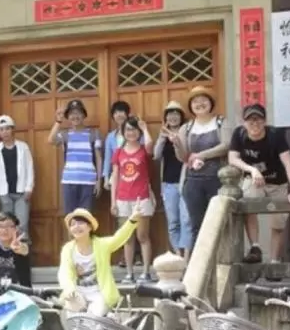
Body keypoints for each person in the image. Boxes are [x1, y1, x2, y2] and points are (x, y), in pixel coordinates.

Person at [227, 103, 290, 264]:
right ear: (244, 122)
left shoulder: (275, 134)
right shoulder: (239, 134)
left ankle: (275, 261)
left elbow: (288, 164)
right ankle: (255, 247)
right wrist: (252, 170)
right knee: (248, 201)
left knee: (278, 222)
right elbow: (232, 158)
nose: (255, 124)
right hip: (254, 180)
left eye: (258, 120)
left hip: (278, 182)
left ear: (265, 121)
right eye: (250, 121)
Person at [168, 86, 231, 253]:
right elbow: (183, 157)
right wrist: (177, 144)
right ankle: (199, 269)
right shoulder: (186, 128)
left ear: (211, 103)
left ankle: (222, 263)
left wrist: (201, 155)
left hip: (218, 180)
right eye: (195, 101)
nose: (200, 103)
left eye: (203, 100)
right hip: (193, 182)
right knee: (196, 225)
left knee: (219, 223)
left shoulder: (221, 122)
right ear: (190, 106)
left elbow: (226, 145)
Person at [58, 199, 148, 317]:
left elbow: (119, 238)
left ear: (90, 227)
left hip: (99, 294)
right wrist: (69, 289)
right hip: (77, 294)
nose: (76, 227)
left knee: (92, 318)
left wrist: (132, 220)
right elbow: (64, 272)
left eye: (80, 223)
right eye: (73, 224)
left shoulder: (102, 245)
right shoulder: (68, 249)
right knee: (71, 318)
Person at [109, 117, 155, 282]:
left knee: (143, 236)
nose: (131, 133)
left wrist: (145, 128)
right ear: (123, 132)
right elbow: (114, 177)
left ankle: (146, 272)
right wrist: (113, 202)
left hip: (141, 198)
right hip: (122, 198)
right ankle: (129, 273)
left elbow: (151, 147)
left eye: (134, 129)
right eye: (128, 129)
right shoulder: (118, 152)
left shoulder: (143, 149)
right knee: (126, 238)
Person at [49, 99, 102, 214]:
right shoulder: (65, 134)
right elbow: (51, 140)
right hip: (69, 180)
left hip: (88, 181)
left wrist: (98, 180)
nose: (75, 116)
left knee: (86, 217)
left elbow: (98, 158)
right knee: (70, 217)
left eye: (78, 113)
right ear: (68, 117)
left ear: (84, 115)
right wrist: (58, 121)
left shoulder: (94, 133)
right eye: (72, 114)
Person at [153, 100, 192, 258]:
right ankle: (178, 254)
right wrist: (163, 137)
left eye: (176, 114)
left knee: (186, 220)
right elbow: (156, 155)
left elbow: (188, 154)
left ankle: (187, 256)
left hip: (186, 182)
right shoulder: (163, 135)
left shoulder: (187, 132)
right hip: (168, 184)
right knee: (173, 222)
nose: (173, 117)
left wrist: (176, 140)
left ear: (181, 116)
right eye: (170, 114)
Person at [0, 115, 34, 241]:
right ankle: (9, 253)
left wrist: (29, 187)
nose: (4, 132)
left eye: (7, 129)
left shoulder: (23, 147)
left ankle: (23, 253)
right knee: (6, 225)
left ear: (13, 130)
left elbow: (29, 168)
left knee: (22, 224)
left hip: (21, 193)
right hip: (4, 194)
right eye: (1, 129)